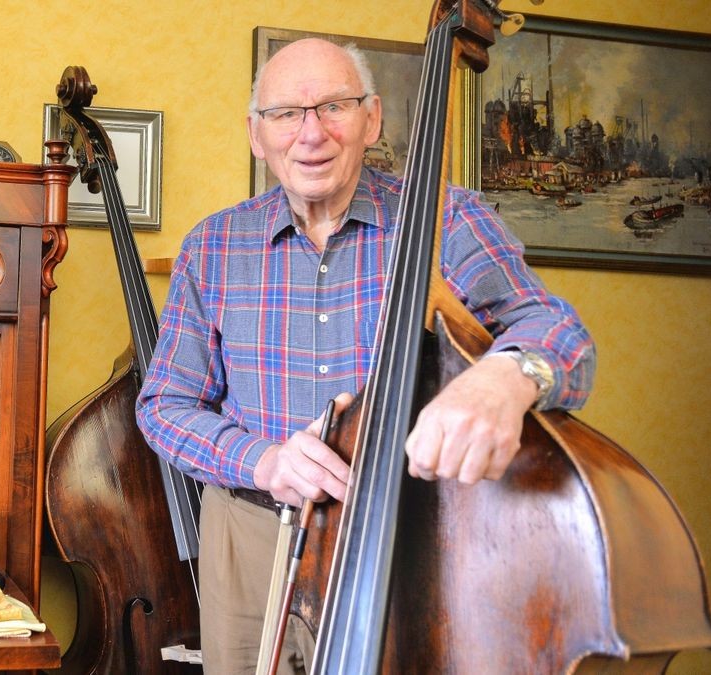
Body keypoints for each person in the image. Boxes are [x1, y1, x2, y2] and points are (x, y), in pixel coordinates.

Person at [135, 38, 595, 674]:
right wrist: (262, 460)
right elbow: (165, 405)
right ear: (255, 134)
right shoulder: (213, 246)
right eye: (286, 114)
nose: (311, 133)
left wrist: (507, 377)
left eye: (334, 107)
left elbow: (558, 333)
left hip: (411, 531)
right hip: (253, 534)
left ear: (372, 119)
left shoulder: (447, 219)